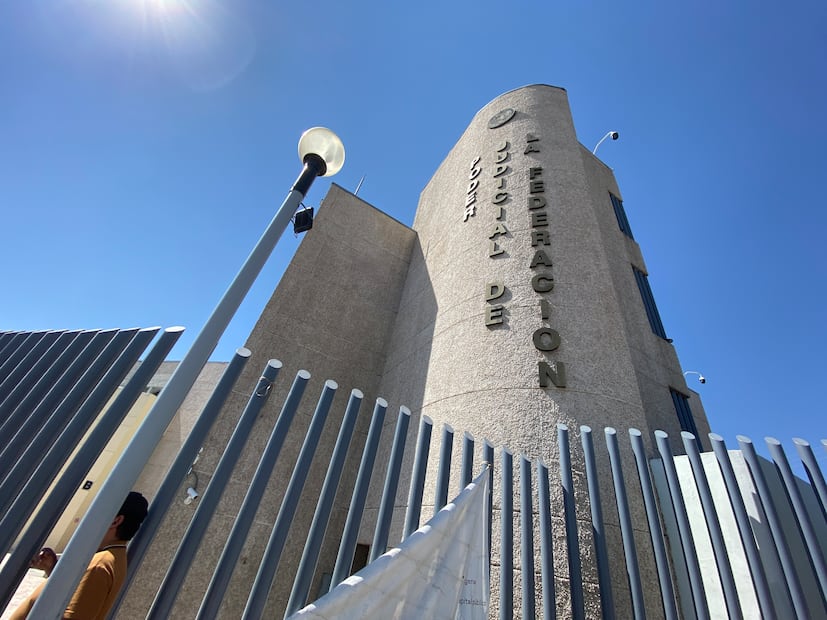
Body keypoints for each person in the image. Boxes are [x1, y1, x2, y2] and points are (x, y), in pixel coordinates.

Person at [10, 492, 148, 620]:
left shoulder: (100, 565)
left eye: (96, 510)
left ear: (115, 521)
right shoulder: (108, 558)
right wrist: (52, 569)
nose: (86, 517)